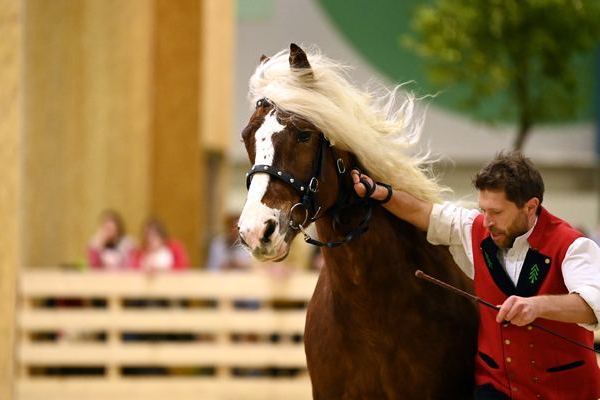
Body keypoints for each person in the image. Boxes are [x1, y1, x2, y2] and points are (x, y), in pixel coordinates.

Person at [352, 151, 600, 399]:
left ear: (530, 207)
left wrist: (537, 306)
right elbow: (423, 212)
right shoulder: (475, 227)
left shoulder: (573, 245)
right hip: (496, 388)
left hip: (566, 391)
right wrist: (383, 194)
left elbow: (592, 305)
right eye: (484, 210)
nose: (487, 221)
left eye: (497, 212)